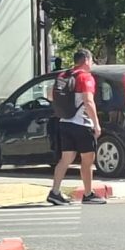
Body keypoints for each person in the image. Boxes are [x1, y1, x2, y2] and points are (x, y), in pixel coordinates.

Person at [48, 49, 107, 205]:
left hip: (65, 123)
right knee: (88, 160)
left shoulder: (64, 75)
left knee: (65, 159)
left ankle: (55, 192)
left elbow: (50, 94)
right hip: (81, 124)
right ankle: (88, 194)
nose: (92, 63)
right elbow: (88, 102)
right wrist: (97, 124)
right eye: (92, 60)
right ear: (86, 60)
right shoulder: (85, 77)